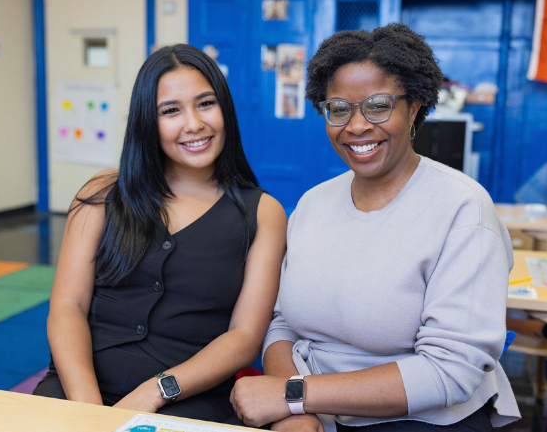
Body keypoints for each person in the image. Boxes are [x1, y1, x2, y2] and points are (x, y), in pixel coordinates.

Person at [230, 24, 520, 431]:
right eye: (339, 109)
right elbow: (283, 323)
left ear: (413, 108)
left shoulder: (463, 209)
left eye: (378, 106)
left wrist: (294, 395)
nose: (357, 126)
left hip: (421, 419)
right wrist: (296, 410)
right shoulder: (312, 204)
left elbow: (450, 371)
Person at [33, 44, 287, 424]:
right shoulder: (101, 194)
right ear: (147, 122)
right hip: (78, 388)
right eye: (171, 111)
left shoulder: (263, 213)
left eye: (205, 104)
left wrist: (155, 392)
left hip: (189, 396)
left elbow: (245, 336)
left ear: (225, 109)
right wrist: (90, 411)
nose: (194, 124)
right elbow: (68, 307)